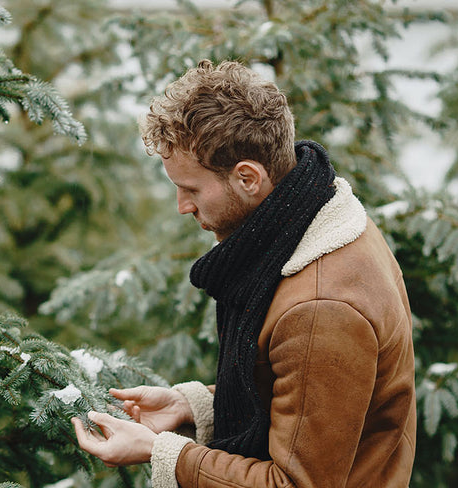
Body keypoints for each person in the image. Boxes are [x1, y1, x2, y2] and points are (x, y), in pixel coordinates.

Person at [71, 60, 416, 488]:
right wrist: (190, 405)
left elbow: (293, 482)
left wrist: (158, 451)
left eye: (191, 189)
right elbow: (308, 401)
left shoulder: (320, 310)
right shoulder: (319, 214)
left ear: (248, 177)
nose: (182, 206)